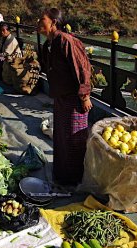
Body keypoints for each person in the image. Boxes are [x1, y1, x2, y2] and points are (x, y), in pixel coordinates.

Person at [38, 8, 93, 185]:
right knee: (61, 138)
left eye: (42, 20)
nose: (39, 23)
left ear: (53, 22)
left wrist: (85, 96)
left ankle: (75, 179)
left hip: (74, 99)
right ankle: (62, 176)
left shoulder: (66, 41)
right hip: (61, 99)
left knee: (75, 140)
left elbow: (82, 69)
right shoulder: (50, 43)